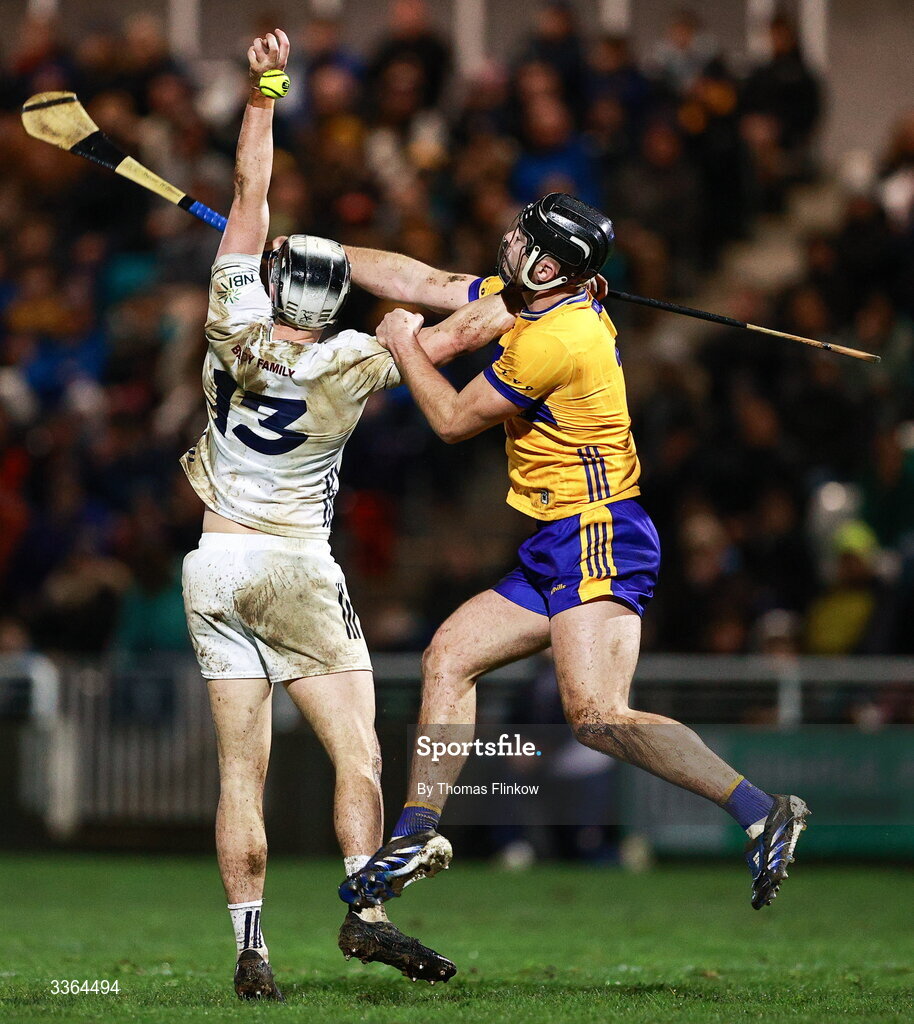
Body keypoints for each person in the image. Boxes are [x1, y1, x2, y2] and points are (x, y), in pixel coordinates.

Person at [337, 192, 810, 924]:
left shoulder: (556, 340)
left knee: (595, 714)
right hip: (558, 537)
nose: (506, 236)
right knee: (449, 655)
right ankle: (415, 835)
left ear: (550, 264)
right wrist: (327, 257)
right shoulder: (531, 301)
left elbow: (454, 419)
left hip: (598, 531)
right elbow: (425, 282)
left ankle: (763, 811)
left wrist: (402, 343)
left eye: (522, 235)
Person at [180, 29, 511, 1000]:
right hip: (294, 568)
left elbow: (251, 193)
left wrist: (264, 85)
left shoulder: (229, 310)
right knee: (358, 752)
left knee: (241, 768)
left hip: (211, 565)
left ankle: (251, 947)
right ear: (332, 304)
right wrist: (545, 294)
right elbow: (458, 331)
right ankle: (366, 914)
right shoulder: (354, 359)